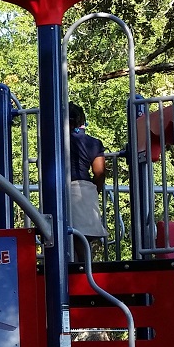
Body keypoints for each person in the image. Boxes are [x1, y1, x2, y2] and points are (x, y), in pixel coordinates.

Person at [66, 103, 108, 243]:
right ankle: (87, 265)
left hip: (59, 191)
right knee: (83, 241)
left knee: (66, 240)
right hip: (84, 193)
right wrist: (96, 190)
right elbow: (100, 172)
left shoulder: (55, 142)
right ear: (82, 120)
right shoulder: (94, 143)